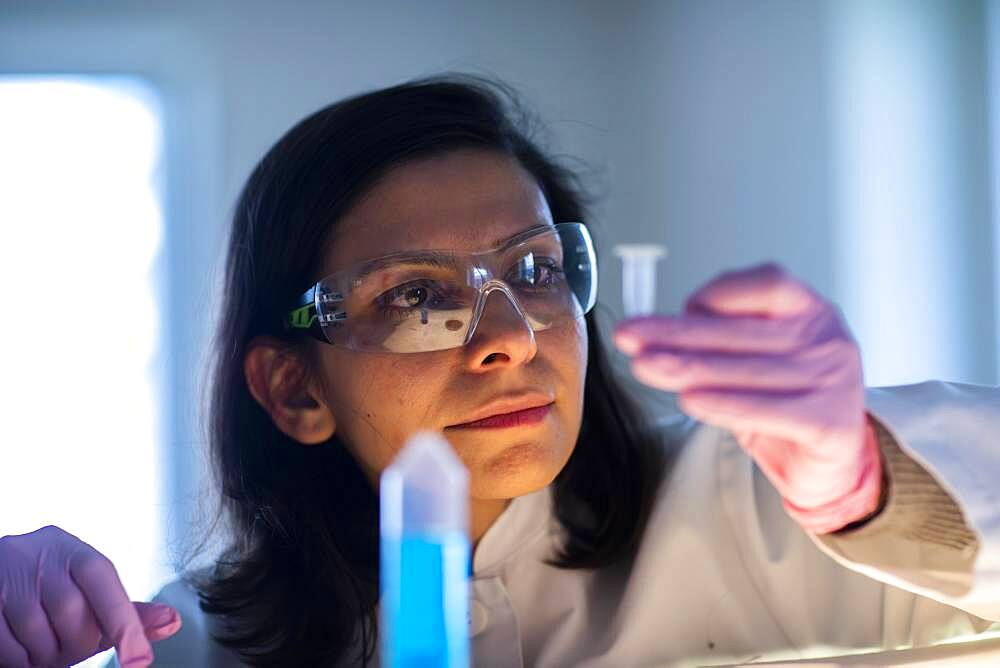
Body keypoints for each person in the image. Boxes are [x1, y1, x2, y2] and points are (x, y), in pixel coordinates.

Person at [1, 74, 998, 668]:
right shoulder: (183, 640)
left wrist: (869, 489)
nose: (509, 336)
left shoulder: (763, 504)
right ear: (294, 388)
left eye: (534, 270)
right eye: (411, 295)